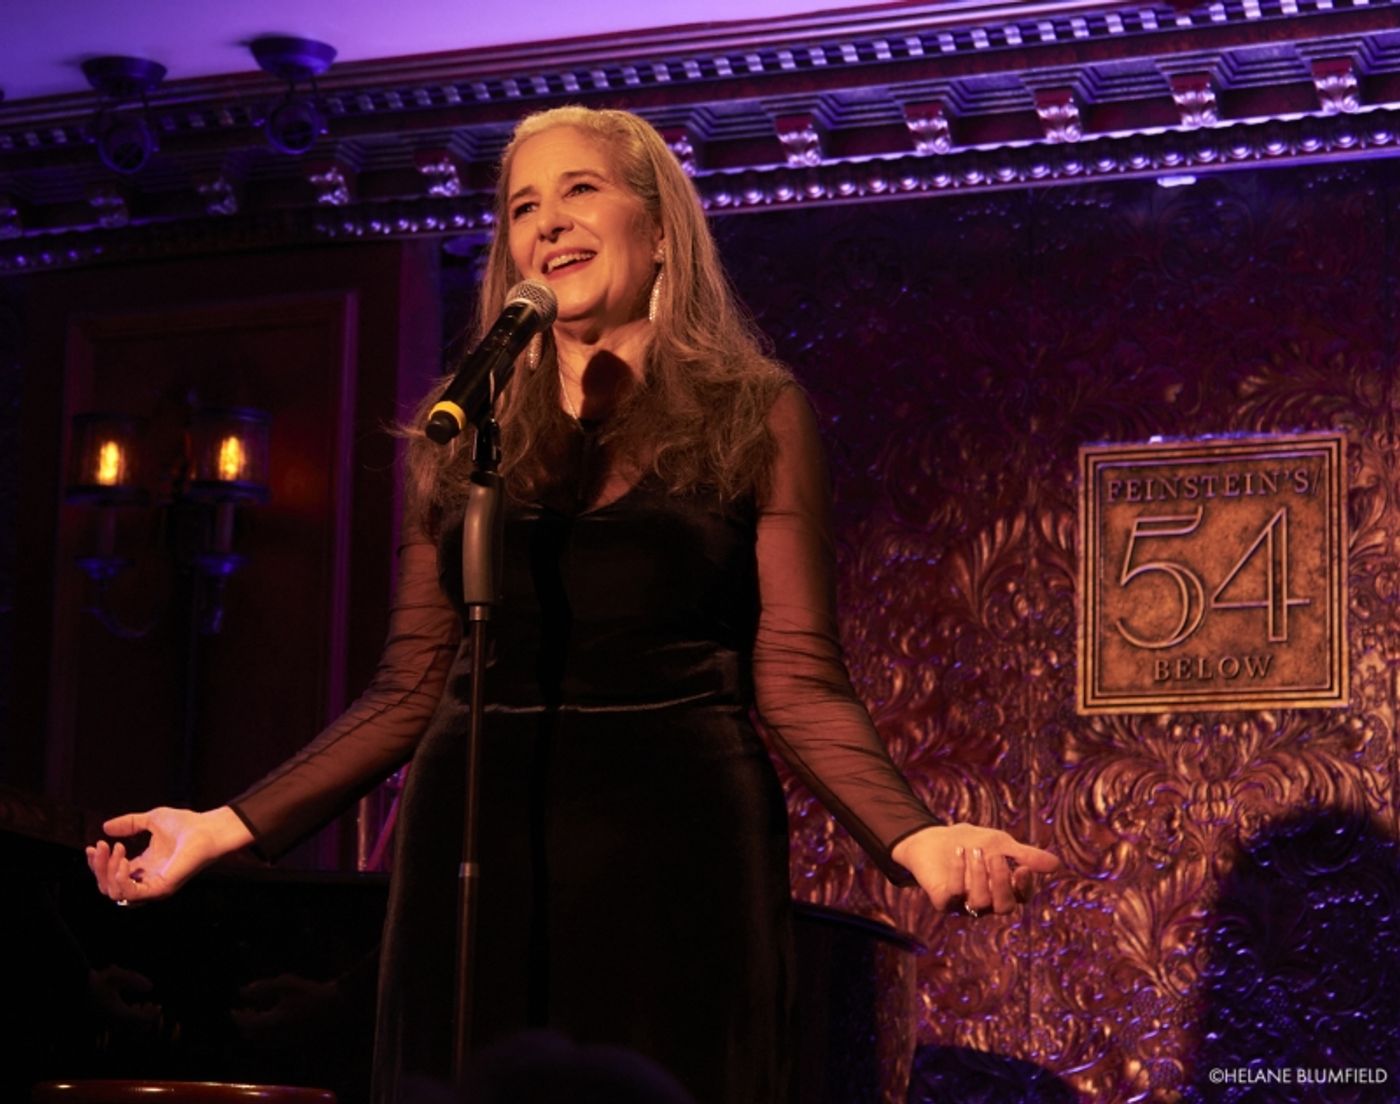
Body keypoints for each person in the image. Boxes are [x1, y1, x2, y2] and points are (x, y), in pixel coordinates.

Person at [87, 106, 1060, 1103]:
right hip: (473, 849)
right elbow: (409, 687)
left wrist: (912, 838)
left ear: (659, 231)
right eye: (521, 206)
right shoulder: (459, 431)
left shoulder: (754, 411)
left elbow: (798, 678)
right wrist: (219, 826)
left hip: (676, 847)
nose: (546, 222)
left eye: (578, 190)